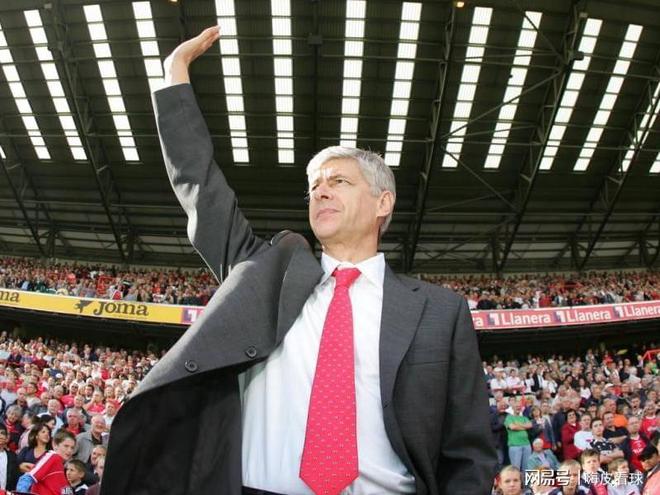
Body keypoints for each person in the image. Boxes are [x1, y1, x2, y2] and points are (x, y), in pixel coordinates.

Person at [102, 25, 496, 495]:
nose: (321, 191)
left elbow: (467, 450)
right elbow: (201, 187)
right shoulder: (265, 275)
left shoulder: (441, 311)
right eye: (314, 186)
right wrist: (174, 74)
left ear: (383, 202)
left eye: (339, 182)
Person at [15, 429, 76, 495]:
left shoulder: (63, 466)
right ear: (55, 445)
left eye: (72, 448)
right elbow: (27, 478)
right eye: (66, 446)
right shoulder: (53, 457)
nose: (69, 450)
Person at [505, 398, 533, 472]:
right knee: (516, 468)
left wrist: (518, 425)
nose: (518, 407)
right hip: (515, 446)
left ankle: (526, 480)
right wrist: (524, 427)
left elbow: (530, 425)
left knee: (527, 468)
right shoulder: (509, 418)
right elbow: (512, 427)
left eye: (519, 406)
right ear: (513, 408)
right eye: (516, 406)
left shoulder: (524, 418)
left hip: (527, 445)